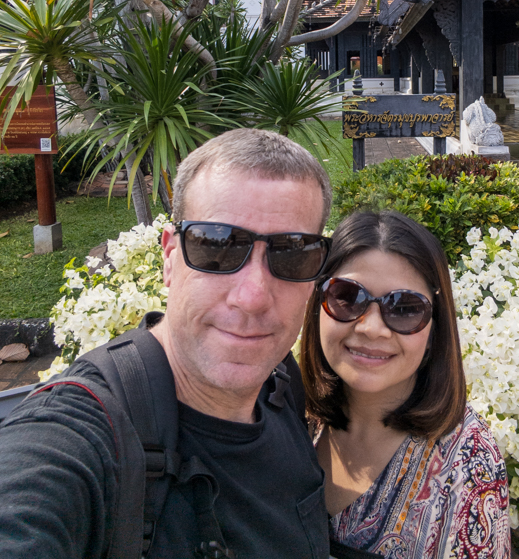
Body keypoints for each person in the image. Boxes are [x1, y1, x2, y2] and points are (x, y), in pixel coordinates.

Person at [0, 128, 334, 559]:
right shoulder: (79, 437)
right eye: (217, 246)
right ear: (169, 257)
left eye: (293, 252)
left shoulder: (281, 382)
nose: (252, 297)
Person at [301, 211, 510, 559]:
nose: (372, 328)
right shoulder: (286, 413)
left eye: (404, 308)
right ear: (317, 305)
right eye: (347, 297)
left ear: (434, 331)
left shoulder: (466, 463)